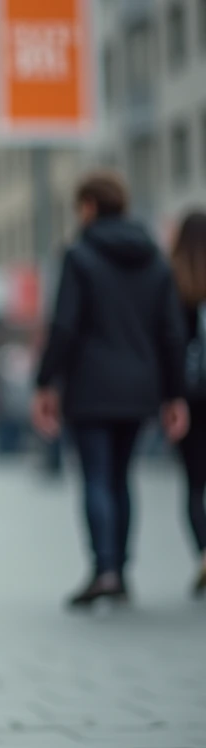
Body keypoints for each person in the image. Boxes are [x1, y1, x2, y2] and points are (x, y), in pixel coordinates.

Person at [33, 170, 188, 609]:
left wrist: (45, 382)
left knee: (96, 477)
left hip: (90, 386)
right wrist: (174, 394)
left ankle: (104, 569)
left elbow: (64, 326)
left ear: (89, 207)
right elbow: (171, 333)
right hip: (141, 386)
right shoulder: (156, 260)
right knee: (123, 478)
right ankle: (121, 568)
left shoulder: (79, 256)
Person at [169, 209, 206, 596]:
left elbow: (169, 341)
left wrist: (170, 394)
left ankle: (204, 553)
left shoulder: (175, 279)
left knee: (194, 484)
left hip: (191, 398)